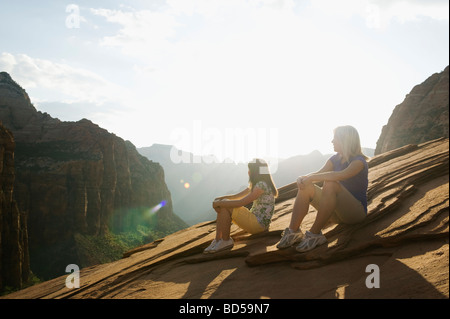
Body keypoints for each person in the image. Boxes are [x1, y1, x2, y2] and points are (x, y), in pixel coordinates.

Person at [276, 125, 368, 252]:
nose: (332, 141)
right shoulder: (334, 159)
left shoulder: (359, 162)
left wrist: (311, 178)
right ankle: (293, 232)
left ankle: (314, 234)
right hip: (336, 214)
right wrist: (303, 178)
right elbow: (319, 173)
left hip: (354, 214)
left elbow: (340, 175)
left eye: (335, 138)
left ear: (344, 140)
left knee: (330, 183)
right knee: (306, 186)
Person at [204, 158, 278, 254]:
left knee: (225, 206)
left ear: (255, 171)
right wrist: (220, 199)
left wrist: (219, 203)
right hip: (257, 222)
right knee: (224, 204)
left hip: (258, 224)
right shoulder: (258, 184)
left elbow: (241, 202)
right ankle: (218, 240)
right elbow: (236, 196)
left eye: (250, 169)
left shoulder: (261, 185)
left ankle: (225, 241)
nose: (248, 172)